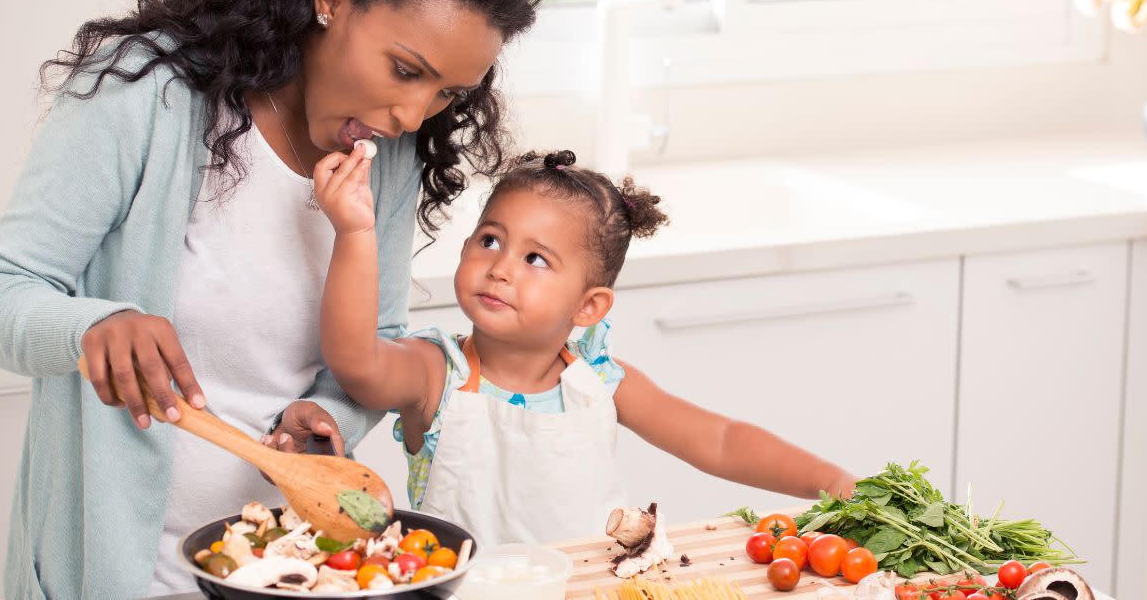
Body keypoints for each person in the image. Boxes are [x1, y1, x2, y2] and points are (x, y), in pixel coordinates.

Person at [0, 0, 542, 596]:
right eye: (404, 70)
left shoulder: (385, 155)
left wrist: (330, 415)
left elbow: (376, 342)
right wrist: (92, 328)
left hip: (285, 568)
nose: (410, 115)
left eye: (448, 93)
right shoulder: (149, 95)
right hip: (119, 575)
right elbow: (3, 289)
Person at [312, 149, 860, 544]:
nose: (500, 267)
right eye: (491, 240)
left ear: (588, 307)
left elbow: (719, 441)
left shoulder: (600, 381)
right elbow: (357, 362)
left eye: (535, 259)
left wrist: (828, 482)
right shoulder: (436, 372)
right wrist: (356, 235)